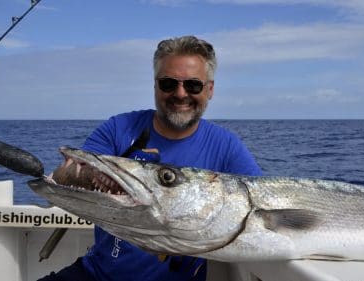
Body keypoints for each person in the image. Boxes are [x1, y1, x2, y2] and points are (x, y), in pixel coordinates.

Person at [39, 35, 262, 281]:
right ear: (155, 86)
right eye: (168, 84)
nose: (180, 94)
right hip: (96, 274)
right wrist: (99, 177)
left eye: (193, 85)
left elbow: (261, 207)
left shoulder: (226, 147)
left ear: (209, 90)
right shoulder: (118, 128)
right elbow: (65, 173)